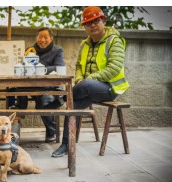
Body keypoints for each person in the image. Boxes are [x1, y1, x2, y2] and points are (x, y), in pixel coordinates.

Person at [52, 6, 130, 157]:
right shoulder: (84, 44)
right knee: (72, 106)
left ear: (103, 21)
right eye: (88, 23)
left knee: (85, 86)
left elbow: (114, 68)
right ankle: (66, 144)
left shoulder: (115, 41)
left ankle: (60, 99)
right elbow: (79, 66)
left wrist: (86, 81)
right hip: (87, 87)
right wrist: (80, 79)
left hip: (110, 88)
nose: (93, 25)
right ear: (84, 27)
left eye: (96, 21)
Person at [15, 27, 66, 143]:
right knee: (15, 90)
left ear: (51, 38)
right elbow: (24, 66)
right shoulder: (30, 50)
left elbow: (59, 67)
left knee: (44, 101)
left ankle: (51, 131)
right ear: (36, 38)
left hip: (49, 86)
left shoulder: (57, 50)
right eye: (40, 37)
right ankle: (19, 112)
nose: (42, 40)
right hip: (30, 85)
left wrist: (39, 69)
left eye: (45, 37)